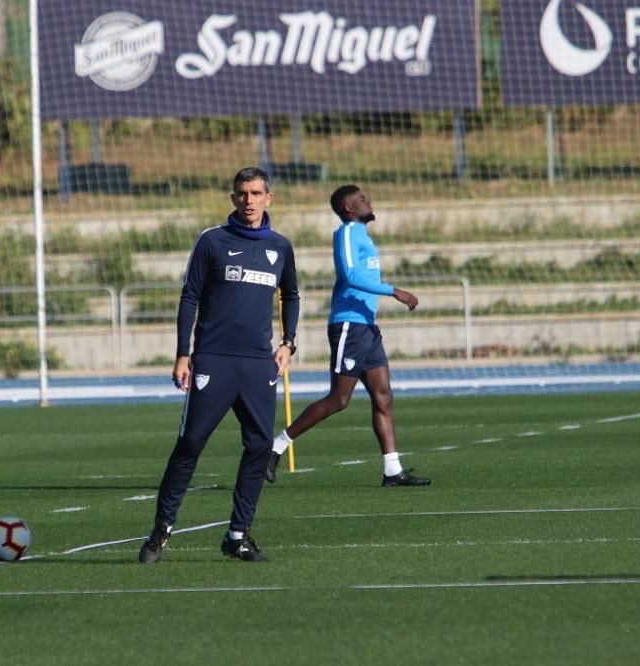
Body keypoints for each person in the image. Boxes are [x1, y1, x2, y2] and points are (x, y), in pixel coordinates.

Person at [138, 166, 300, 564]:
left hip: (259, 364)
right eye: (242, 193)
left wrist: (288, 343)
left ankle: (238, 535)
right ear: (233, 198)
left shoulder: (281, 247)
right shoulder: (212, 241)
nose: (249, 201)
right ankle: (162, 529)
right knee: (191, 443)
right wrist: (182, 352)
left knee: (260, 447)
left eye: (257, 193)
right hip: (213, 359)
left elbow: (291, 294)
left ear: (269, 199)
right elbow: (189, 296)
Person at [265, 184, 430, 488]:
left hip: (367, 326)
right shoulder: (346, 234)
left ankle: (392, 470)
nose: (369, 201)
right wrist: (394, 291)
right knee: (339, 399)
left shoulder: (363, 235)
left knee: (383, 396)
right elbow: (351, 276)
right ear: (349, 208)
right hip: (349, 326)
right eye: (362, 199)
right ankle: (275, 446)